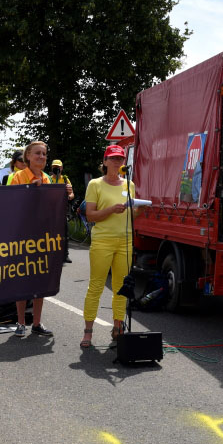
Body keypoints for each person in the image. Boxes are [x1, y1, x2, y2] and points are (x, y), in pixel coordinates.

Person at [81, 144, 138, 348]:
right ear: (104, 161)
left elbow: (132, 215)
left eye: (120, 158)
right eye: (112, 158)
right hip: (102, 241)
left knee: (121, 287)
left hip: (125, 241)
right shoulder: (95, 184)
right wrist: (112, 210)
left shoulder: (129, 184)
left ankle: (117, 327)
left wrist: (138, 209)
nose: (117, 162)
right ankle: (88, 331)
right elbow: (90, 215)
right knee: (96, 286)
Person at [6, 141, 53, 337]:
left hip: (42, 237)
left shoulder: (47, 178)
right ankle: (20, 322)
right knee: (23, 280)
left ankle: (37, 323)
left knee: (40, 281)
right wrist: (29, 190)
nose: (41, 157)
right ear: (28, 156)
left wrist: (64, 195)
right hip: (22, 236)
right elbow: (10, 205)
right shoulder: (18, 177)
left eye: (44, 154)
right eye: (37, 153)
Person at [49, 159, 75, 263]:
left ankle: (65, 255)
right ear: (52, 168)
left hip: (62, 210)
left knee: (65, 233)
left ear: (62, 168)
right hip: (50, 210)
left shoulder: (65, 179)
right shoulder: (48, 179)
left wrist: (69, 196)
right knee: (50, 234)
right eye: (54, 167)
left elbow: (72, 194)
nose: (56, 169)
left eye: (58, 167)